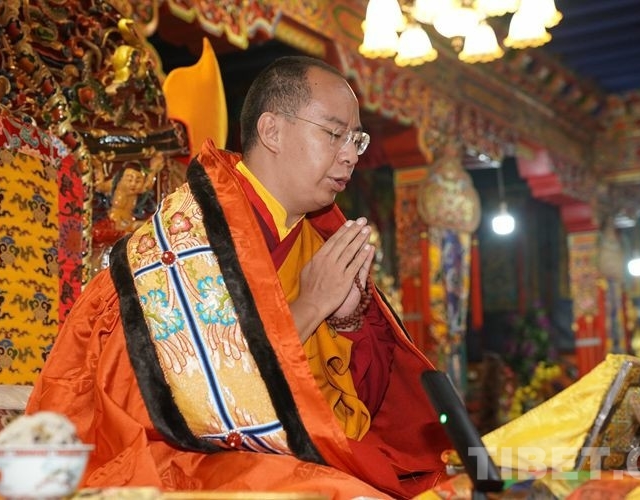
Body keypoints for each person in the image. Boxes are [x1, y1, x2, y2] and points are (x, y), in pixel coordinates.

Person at [27, 55, 451, 499]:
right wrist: (310, 306)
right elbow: (180, 401)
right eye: (333, 134)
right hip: (183, 456)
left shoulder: (320, 242)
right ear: (272, 131)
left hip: (304, 453)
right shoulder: (184, 244)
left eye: (356, 139)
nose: (349, 154)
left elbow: (360, 405)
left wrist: (347, 319)